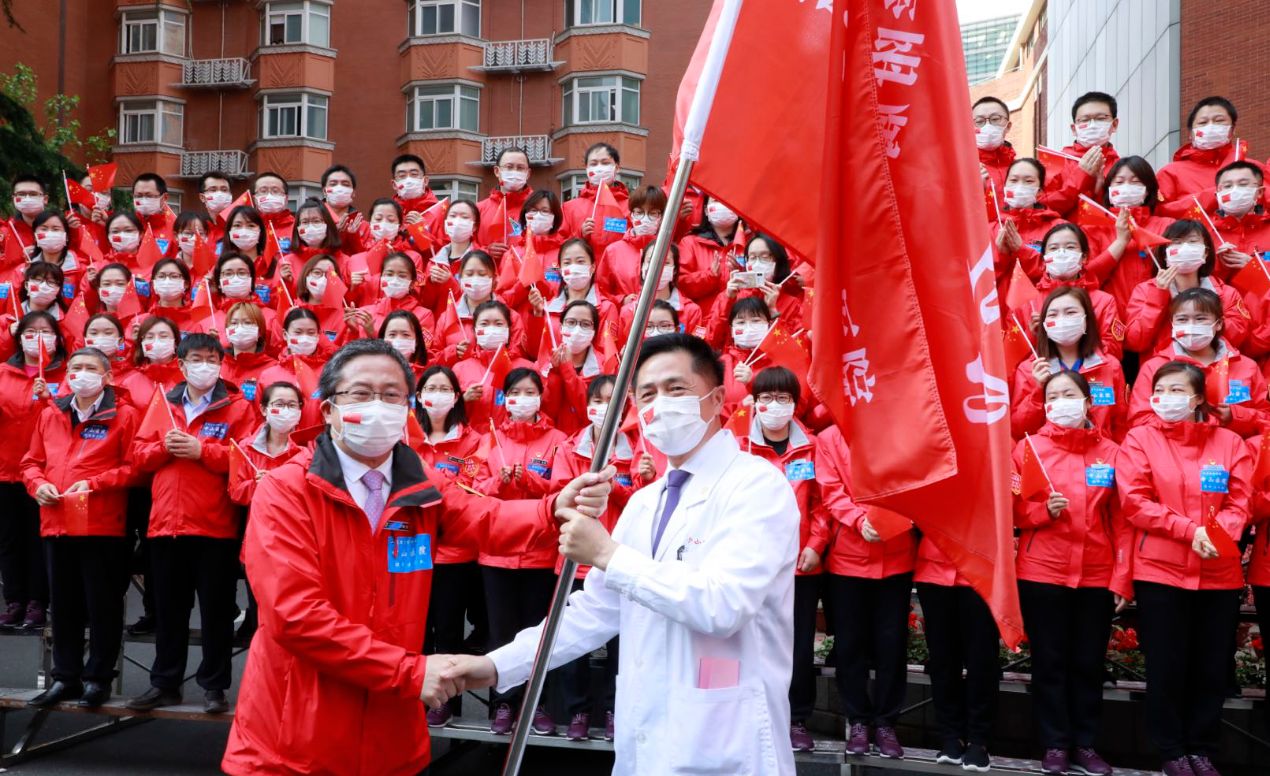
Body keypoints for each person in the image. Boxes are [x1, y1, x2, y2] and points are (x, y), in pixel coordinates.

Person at [221, 337, 612, 776]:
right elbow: (294, 616)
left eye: (392, 395)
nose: (378, 406)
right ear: (328, 409)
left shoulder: (419, 483)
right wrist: (408, 673)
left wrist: (552, 508)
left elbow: (485, 518)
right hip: (294, 739)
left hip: (392, 738)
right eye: (361, 393)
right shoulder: (286, 490)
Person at [442, 332, 801, 776]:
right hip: (644, 744)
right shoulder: (646, 502)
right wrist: (497, 665)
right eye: (647, 394)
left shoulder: (757, 486)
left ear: (715, 399)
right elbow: (594, 611)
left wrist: (609, 555)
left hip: (729, 742)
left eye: (676, 389)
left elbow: (723, 604)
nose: (660, 404)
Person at [1118, 361, 1252, 776]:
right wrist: (1190, 531)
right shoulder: (1140, 439)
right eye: (1159, 390)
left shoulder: (1230, 442)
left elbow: (1241, 502)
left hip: (1218, 573)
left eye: (1176, 390)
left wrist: (1216, 533)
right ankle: (1171, 750)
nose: (1165, 398)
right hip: (1161, 572)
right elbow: (1135, 501)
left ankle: (1201, 749)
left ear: (1197, 399)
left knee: (1210, 668)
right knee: (1167, 666)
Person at [127, 332, 256, 714]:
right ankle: (165, 683)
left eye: (212, 359)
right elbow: (138, 455)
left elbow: (247, 459)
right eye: (196, 359)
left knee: (216, 612)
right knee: (170, 612)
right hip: (166, 524)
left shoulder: (238, 407)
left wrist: (204, 451)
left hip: (215, 525)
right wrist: (161, 448)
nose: (205, 366)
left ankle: (215, 687)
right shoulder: (163, 403)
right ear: (181, 365)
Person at [1012, 370, 1127, 776]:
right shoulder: (1028, 449)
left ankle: (1085, 744)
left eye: (1069, 395)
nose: (1061, 403)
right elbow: (1013, 510)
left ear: (1087, 402)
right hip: (1043, 571)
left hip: (1097, 573)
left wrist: (1122, 576)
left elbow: (1123, 518)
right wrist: (1043, 511)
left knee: (1088, 662)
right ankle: (1055, 744)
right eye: (1053, 396)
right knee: (1050, 662)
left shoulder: (1112, 453)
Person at [21, 346, 138, 708]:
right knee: (63, 605)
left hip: (101, 523)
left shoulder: (125, 415)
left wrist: (95, 483)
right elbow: (30, 462)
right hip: (56, 521)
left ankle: (98, 679)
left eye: (90, 368)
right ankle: (65, 677)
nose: (80, 374)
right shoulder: (51, 413)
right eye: (75, 368)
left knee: (102, 605)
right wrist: (37, 485)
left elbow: (136, 467)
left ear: (107, 377)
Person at [547, 373, 648, 742]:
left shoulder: (639, 448)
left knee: (622, 643)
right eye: (599, 400)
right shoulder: (569, 449)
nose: (605, 408)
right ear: (587, 404)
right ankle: (577, 710)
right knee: (572, 640)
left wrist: (620, 485)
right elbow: (562, 498)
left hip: (620, 558)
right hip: (575, 559)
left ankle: (612, 708)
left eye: (613, 401)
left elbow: (643, 500)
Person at [474, 366, 570, 735]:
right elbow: (473, 488)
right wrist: (499, 482)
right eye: (515, 393)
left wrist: (530, 480)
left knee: (537, 632)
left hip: (540, 550)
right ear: (505, 398)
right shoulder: (490, 438)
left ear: (541, 397)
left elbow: (562, 490)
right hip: (496, 549)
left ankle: (536, 703)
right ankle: (503, 704)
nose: (522, 399)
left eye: (530, 392)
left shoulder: (558, 440)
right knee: (501, 632)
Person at [742, 366, 829, 753]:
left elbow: (822, 501)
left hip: (800, 565)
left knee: (798, 644)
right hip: (750, 565)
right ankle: (750, 714)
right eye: (766, 397)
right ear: (754, 402)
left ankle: (796, 719)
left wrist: (816, 544)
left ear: (795, 404)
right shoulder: (739, 448)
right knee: (747, 640)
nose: (774, 405)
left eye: (783, 398)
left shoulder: (811, 446)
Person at [817, 422, 917, 759]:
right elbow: (831, 491)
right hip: (848, 559)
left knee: (892, 645)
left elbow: (915, 483)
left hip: (897, 557)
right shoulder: (830, 438)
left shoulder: (902, 430)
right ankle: (858, 720)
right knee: (850, 646)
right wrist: (859, 520)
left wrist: (892, 519)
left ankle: (886, 723)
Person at [411, 365, 485, 730]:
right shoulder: (405, 437)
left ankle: (446, 702)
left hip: (454, 551)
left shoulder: (473, 441)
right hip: (410, 547)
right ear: (419, 395)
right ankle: (412, 699)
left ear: (456, 397)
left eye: (444, 389)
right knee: (414, 629)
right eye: (430, 388)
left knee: (449, 630)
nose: (437, 395)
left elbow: (475, 488)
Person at [0, 311, 67, 628]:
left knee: (39, 538)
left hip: (45, 473)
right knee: (9, 539)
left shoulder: (67, 374)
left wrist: (48, 399)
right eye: (30, 331)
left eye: (45, 331)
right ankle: (14, 600)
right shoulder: (3, 372)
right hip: (6, 470)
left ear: (57, 338)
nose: (37, 337)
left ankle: (38, 601)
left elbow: (69, 421)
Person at [1127, 288, 1269, 436]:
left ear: (1219, 323)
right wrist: (1185, 426)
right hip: (1169, 448)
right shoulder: (1155, 367)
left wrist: (1236, 416)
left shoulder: (1246, 367)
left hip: (1233, 448)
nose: (1191, 326)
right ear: (1172, 324)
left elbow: (1266, 418)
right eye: (1182, 319)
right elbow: (1139, 420)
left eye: (1200, 319)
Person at [1011, 286, 1128, 442]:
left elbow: (1121, 425)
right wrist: (1038, 391)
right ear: (1044, 324)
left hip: (1100, 453)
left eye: (1070, 312)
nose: (1062, 320)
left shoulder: (1110, 366)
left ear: (1087, 319)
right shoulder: (1030, 369)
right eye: (1053, 314)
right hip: (1049, 455)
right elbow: (1020, 430)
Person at [1124, 220, 1250, 355]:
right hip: (1163, 365)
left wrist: (1205, 313)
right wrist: (1157, 298)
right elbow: (1135, 342)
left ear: (1206, 252)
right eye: (1176, 242)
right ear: (1165, 254)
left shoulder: (1226, 293)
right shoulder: (1145, 290)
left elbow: (1238, 338)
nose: (1184, 248)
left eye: (1193, 241)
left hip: (1215, 366)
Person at [1157, 97, 1264, 218]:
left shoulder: (1254, 168)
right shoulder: (1170, 173)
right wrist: (1212, 196)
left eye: (1219, 121)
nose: (1211, 126)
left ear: (1233, 128)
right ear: (1190, 133)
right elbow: (1159, 214)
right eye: (1203, 123)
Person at [1045, 91, 1123, 218]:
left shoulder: (1123, 168)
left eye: (1101, 118)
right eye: (1085, 120)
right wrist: (1081, 176)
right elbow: (1044, 208)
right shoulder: (1054, 164)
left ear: (1114, 124)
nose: (1092, 125)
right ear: (1074, 129)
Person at [560, 142, 630, 256]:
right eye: (593, 164)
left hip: (617, 267)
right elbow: (558, 245)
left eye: (605, 163)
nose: (599, 168)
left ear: (616, 168)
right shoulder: (569, 208)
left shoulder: (630, 207)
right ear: (587, 169)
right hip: (583, 267)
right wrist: (580, 234)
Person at [598, 184, 667, 301]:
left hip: (660, 311)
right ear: (631, 216)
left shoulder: (668, 250)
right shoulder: (613, 251)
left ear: (661, 217)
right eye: (639, 212)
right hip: (625, 312)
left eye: (652, 213)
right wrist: (621, 300)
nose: (645, 219)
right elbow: (601, 291)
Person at [478, 146, 534, 254]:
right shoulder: (479, 210)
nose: (515, 172)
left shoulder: (539, 208)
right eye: (509, 167)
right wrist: (486, 251)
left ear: (528, 173)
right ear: (497, 171)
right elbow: (465, 247)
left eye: (520, 168)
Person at [321, 164, 371, 253]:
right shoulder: (312, 222)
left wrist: (353, 236)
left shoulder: (364, 227)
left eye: (345, 184)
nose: (339, 188)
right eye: (333, 184)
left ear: (353, 192)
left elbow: (366, 257)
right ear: (324, 191)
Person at [392, 153, 441, 223]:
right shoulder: (388, 214)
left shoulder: (440, 211)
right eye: (402, 175)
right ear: (394, 185)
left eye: (414, 174)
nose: (408, 181)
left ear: (425, 181)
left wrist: (421, 228)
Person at [252, 172, 295, 247]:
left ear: (286, 198)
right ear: (254, 199)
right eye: (263, 191)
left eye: (275, 191)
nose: (269, 196)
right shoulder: (248, 227)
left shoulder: (296, 227)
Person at [131, 173, 174, 246]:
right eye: (138, 196)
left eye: (149, 196)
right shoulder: (126, 226)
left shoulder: (176, 228)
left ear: (165, 198)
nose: (144, 201)